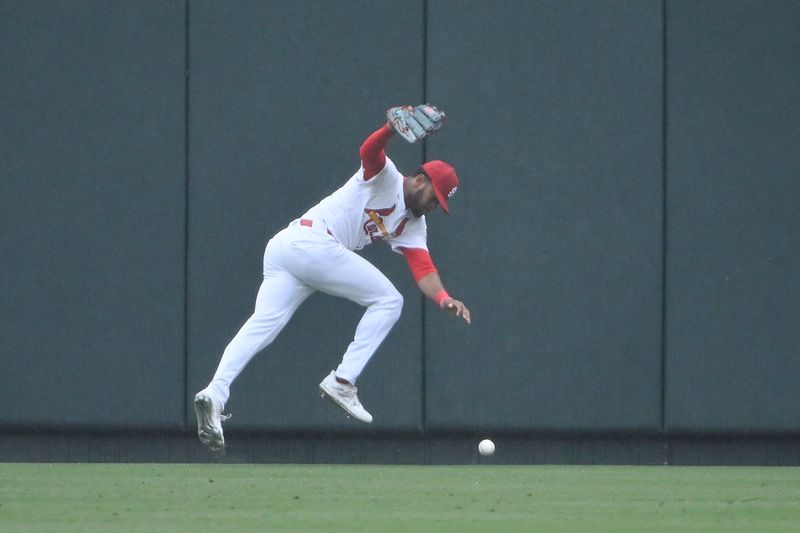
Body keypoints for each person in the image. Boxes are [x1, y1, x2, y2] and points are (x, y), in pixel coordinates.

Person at [193, 104, 471, 453]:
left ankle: (214, 393)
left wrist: (444, 298)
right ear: (420, 180)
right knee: (388, 301)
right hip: (309, 244)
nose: (434, 206)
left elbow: (423, 267)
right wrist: (388, 129)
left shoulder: (413, 224)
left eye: (441, 205)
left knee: (261, 324)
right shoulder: (385, 177)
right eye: (436, 197)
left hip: (291, 249)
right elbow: (369, 151)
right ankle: (343, 380)